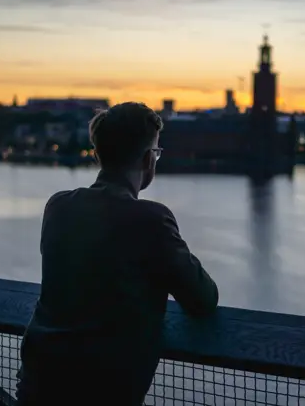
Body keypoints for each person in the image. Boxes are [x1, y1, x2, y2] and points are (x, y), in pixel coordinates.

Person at [16, 102, 219, 405]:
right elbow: (203, 299)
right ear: (149, 159)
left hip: (37, 384)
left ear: (98, 156)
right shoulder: (152, 219)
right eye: (156, 152)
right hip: (103, 391)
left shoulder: (58, 207)